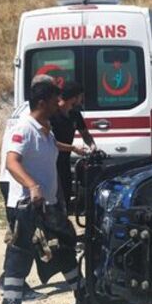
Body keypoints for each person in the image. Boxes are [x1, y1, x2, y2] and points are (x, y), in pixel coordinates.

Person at [0, 79, 83, 304]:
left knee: (65, 246)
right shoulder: (24, 128)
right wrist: (33, 186)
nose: (60, 104)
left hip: (48, 204)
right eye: (55, 100)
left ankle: (84, 295)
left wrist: (75, 149)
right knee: (21, 256)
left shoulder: (45, 128)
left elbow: (51, 148)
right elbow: (12, 162)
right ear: (41, 102)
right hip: (27, 205)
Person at [0, 75, 52, 300]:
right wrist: (32, 184)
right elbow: (14, 159)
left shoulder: (22, 110)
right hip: (17, 182)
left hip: (16, 180)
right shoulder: (27, 120)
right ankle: (12, 288)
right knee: (21, 239)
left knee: (25, 238)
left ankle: (14, 284)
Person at [50, 81, 95, 211]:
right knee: (54, 199)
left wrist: (92, 146)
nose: (82, 99)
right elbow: (51, 143)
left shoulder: (75, 114)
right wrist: (74, 149)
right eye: (80, 96)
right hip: (51, 163)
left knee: (66, 195)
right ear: (74, 97)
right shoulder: (53, 114)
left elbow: (85, 134)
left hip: (65, 162)